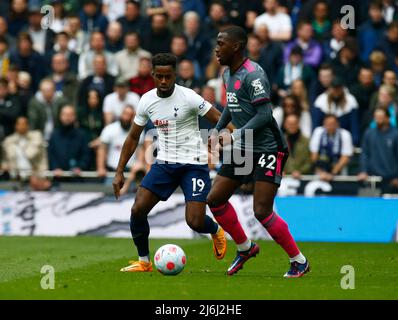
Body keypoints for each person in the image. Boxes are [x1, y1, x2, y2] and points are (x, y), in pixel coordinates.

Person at [112, 53, 227, 272]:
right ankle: (144, 262)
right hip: (164, 164)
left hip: (194, 164)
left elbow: (219, 118)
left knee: (194, 221)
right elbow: (133, 137)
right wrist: (119, 172)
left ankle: (215, 229)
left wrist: (236, 137)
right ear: (153, 75)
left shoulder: (189, 97)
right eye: (159, 76)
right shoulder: (146, 100)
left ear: (175, 75)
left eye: (168, 76)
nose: (164, 81)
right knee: (138, 209)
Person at [208, 26, 309, 278]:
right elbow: (233, 105)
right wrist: (217, 128)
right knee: (215, 199)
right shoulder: (226, 74)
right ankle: (245, 247)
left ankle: (299, 261)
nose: (217, 48)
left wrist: (236, 134)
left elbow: (265, 114)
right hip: (244, 147)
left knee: (262, 211)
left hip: (268, 148)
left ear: (237, 46)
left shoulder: (254, 75)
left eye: (221, 44)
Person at [1, 116, 50, 190]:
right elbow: (6, 159)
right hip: (15, 177)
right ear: (15, 126)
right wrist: (5, 166)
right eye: (19, 124)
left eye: (24, 124)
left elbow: (32, 154)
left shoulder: (36, 136)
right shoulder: (9, 140)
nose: (21, 126)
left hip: (36, 176)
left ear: (28, 125)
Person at [359, 108, 398, 194]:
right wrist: (364, 171)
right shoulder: (369, 133)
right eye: (376, 117)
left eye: (381, 117)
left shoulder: (396, 134)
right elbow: (365, 154)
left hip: (392, 180)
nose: (378, 120)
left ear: (388, 118)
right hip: (373, 179)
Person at [310, 114, 354, 181]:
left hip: (339, 171)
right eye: (327, 124)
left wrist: (332, 173)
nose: (330, 126)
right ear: (323, 124)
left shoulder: (345, 134)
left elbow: (345, 157)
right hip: (320, 172)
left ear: (337, 124)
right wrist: (321, 172)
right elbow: (314, 155)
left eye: (332, 124)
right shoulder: (318, 131)